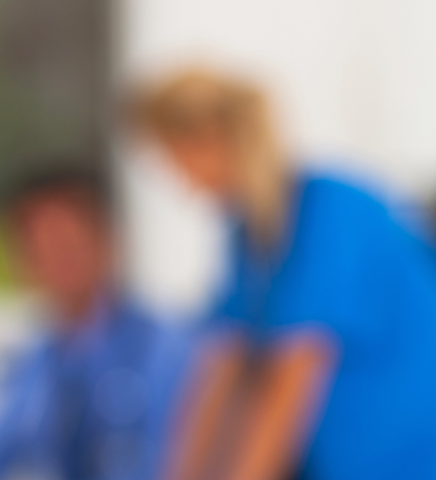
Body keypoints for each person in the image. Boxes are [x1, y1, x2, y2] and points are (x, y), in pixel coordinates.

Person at [137, 68, 436, 480]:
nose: (175, 178)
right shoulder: (250, 233)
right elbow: (221, 366)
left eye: (172, 156)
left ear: (206, 140)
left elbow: (294, 377)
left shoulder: (331, 209)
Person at [0, 166, 191, 480]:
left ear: (108, 240)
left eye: (68, 241)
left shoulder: (169, 350)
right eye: (39, 247)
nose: (56, 259)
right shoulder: (33, 368)